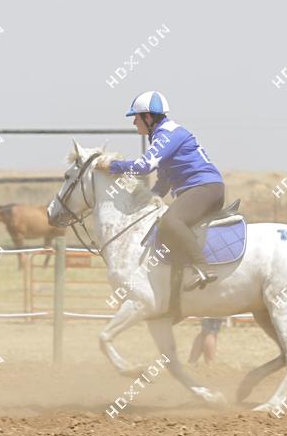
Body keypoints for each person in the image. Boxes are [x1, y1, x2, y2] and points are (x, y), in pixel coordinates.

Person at [94, 91, 225, 291]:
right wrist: (145, 202)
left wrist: (113, 166)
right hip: (203, 189)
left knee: (171, 221)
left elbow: (144, 166)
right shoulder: (162, 136)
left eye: (136, 117)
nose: (134, 122)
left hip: (204, 188)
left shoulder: (167, 135)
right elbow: (163, 182)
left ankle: (203, 267)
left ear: (148, 117)